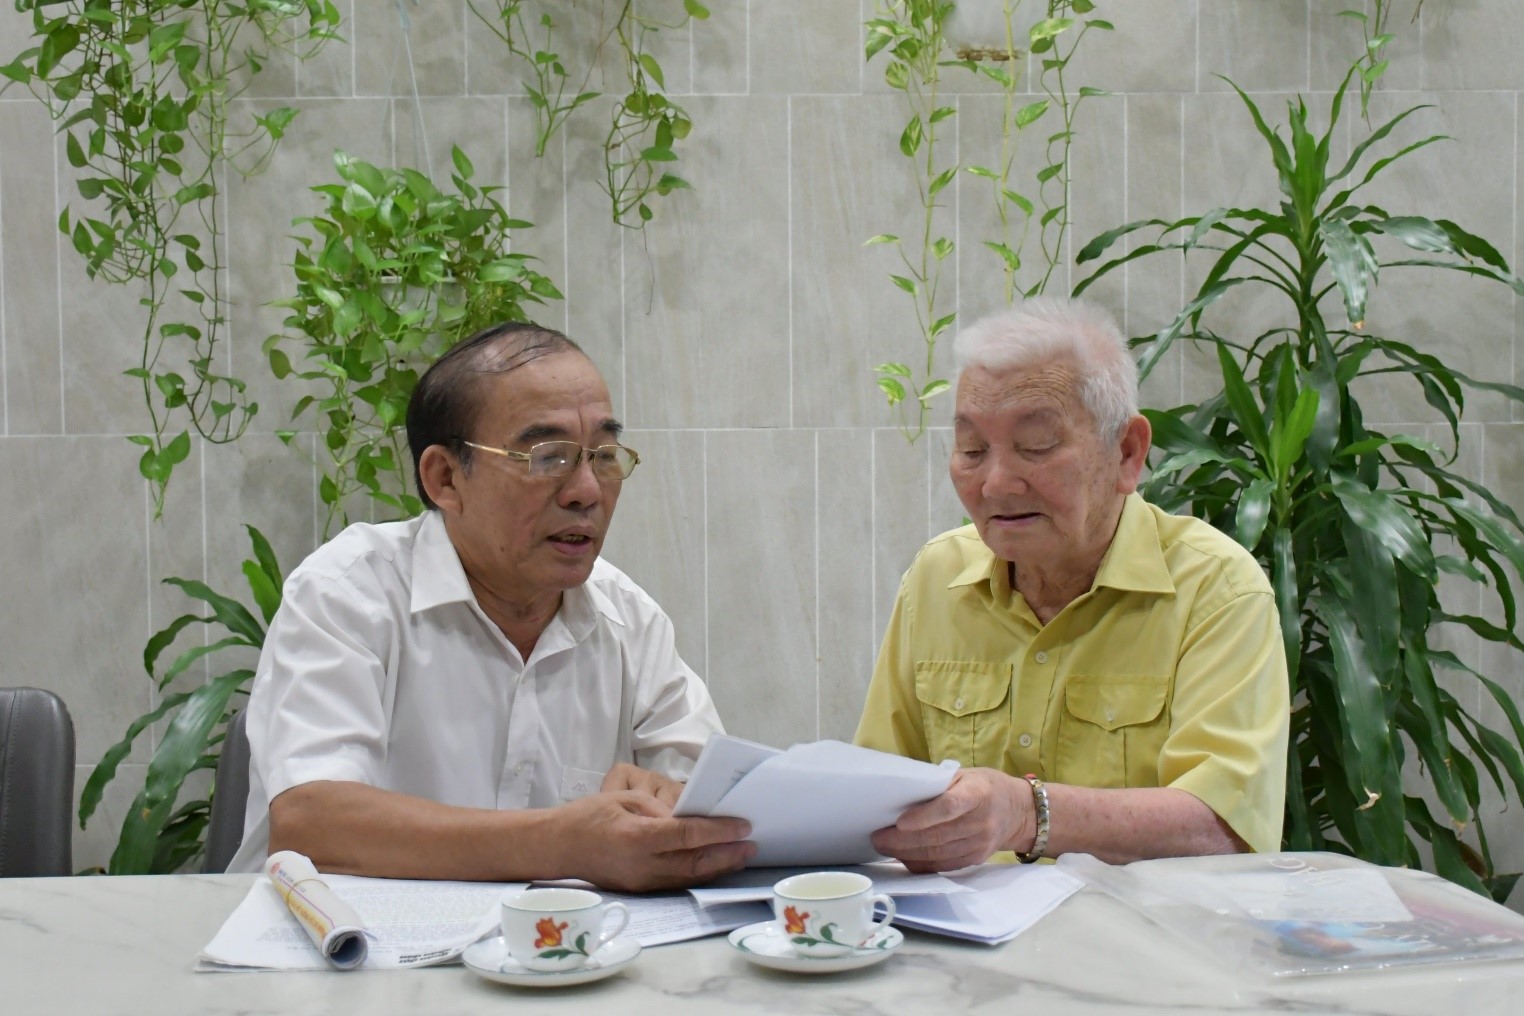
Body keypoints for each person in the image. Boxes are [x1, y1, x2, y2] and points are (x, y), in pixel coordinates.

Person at [227, 322, 754, 890]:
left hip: (548, 959)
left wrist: (675, 810)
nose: (587, 491)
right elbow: (311, 822)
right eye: (549, 456)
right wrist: (565, 843)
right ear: (445, 478)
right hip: (341, 957)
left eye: (603, 455)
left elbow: (718, 806)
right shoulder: (349, 592)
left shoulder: (630, 621)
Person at [854, 297, 1289, 871]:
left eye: (1036, 447)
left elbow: (1225, 827)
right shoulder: (938, 578)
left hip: (1145, 947)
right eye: (972, 450)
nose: (997, 484)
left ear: (1127, 452)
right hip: (961, 946)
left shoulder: (1216, 589)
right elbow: (872, 793)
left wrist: (1026, 813)